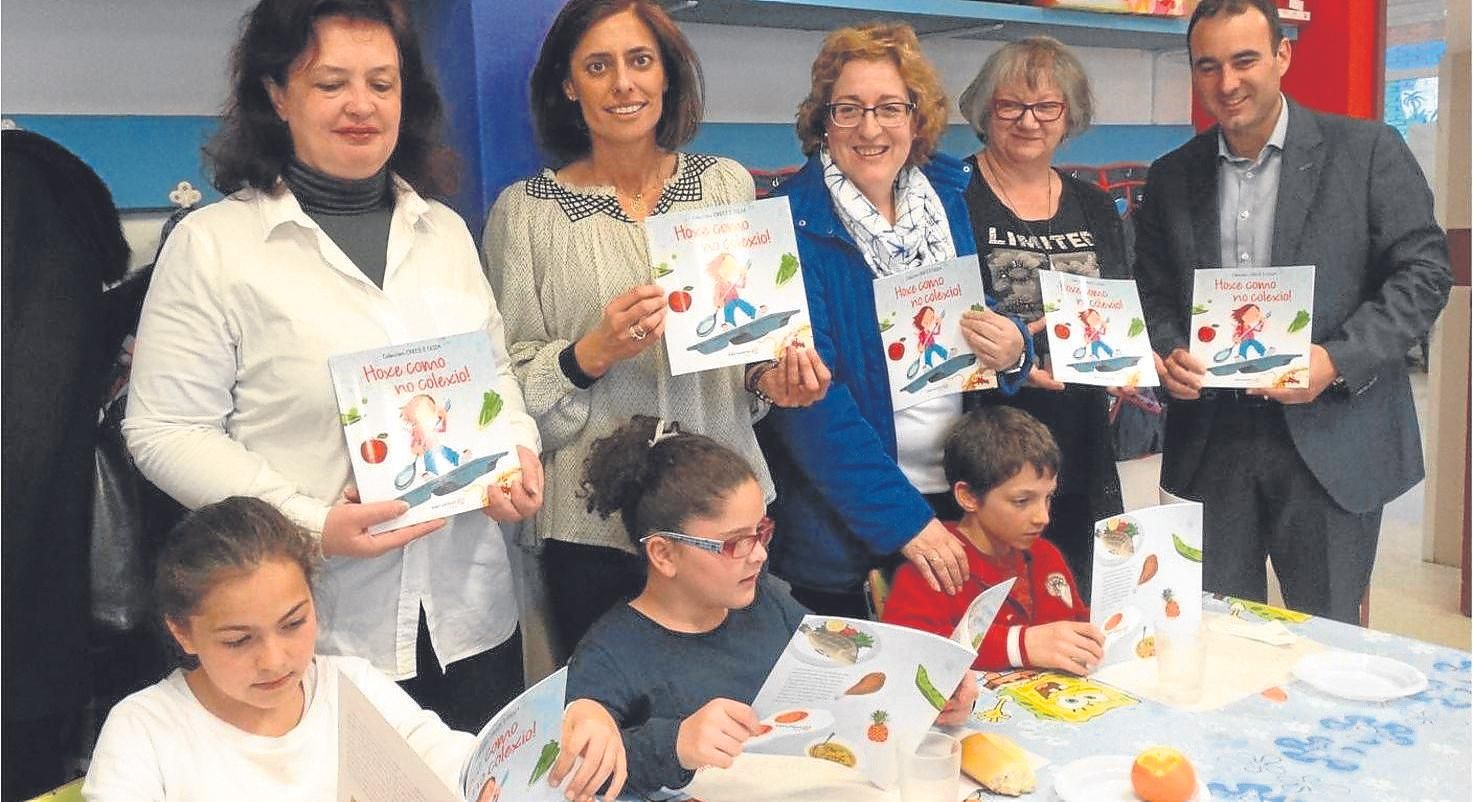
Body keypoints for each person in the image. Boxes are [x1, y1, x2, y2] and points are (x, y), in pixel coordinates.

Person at [123, 0, 543, 729]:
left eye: (382, 83)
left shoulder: (443, 231)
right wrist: (310, 524)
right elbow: (164, 430)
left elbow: (494, 375)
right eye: (330, 83)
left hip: (471, 616)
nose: (361, 105)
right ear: (277, 95)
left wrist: (517, 455)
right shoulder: (213, 245)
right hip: (314, 629)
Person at [484, 0, 829, 654]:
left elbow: (750, 355)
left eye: (640, 61)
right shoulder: (526, 214)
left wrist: (772, 379)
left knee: (741, 698)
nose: (623, 84)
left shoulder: (725, 185)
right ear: (568, 85)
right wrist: (591, 353)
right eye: (597, 66)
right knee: (612, 708)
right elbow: (505, 395)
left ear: (666, 74)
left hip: (725, 519)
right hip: (593, 529)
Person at [1134, 0, 1452, 623]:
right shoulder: (1171, 176)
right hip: (1214, 442)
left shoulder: (1366, 151)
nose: (1227, 83)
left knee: (1329, 634)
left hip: (1334, 435)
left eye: (1244, 60)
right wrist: (1170, 348)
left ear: (1283, 55)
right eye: (1208, 66)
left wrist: (1336, 360)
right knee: (1219, 632)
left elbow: (1423, 273)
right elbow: (1154, 288)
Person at [82, 497, 625, 802]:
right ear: (182, 633)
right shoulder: (144, 730)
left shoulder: (349, 684)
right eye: (238, 640)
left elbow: (455, 762)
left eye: (294, 623)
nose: (275, 660)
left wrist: (572, 732)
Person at [757, 23, 1031, 618]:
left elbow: (978, 312)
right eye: (848, 109)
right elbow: (810, 407)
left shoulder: (947, 198)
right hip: (852, 534)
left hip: (961, 500)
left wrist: (1014, 352)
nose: (870, 128)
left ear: (916, 117)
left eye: (889, 108)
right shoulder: (789, 222)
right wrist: (904, 521)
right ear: (823, 120)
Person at [566, 417, 976, 797]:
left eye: (761, 531)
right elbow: (578, 772)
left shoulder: (769, 602)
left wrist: (926, 696)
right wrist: (676, 744)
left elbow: (847, 684)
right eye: (735, 543)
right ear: (664, 554)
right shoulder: (610, 655)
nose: (760, 555)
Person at [956, 36, 1128, 603]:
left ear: (1069, 114)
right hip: (989, 439)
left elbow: (1119, 304)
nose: (1028, 121)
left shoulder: (1095, 204)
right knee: (994, 605)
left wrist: (1132, 354)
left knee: (1076, 596)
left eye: (1047, 106)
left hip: (1081, 436)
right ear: (985, 110)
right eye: (1011, 105)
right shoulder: (953, 195)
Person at [881, 407, 1102, 674]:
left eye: (1048, 497)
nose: (1042, 517)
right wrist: (1020, 645)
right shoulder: (932, 566)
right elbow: (908, 651)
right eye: (1022, 501)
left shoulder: (1046, 554)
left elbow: (1077, 622)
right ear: (968, 497)